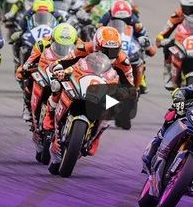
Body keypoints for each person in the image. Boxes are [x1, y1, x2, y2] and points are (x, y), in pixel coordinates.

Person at [46, 27, 134, 161]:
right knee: (57, 84)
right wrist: (58, 69)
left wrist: (125, 93)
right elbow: (63, 61)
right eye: (106, 50)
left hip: (103, 87)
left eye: (114, 50)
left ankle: (96, 137)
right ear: (97, 46)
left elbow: (129, 83)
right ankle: (49, 115)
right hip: (80, 79)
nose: (110, 54)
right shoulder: (84, 48)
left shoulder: (123, 60)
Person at [16, 23, 79, 123]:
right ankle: (27, 105)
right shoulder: (42, 43)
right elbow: (31, 59)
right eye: (59, 46)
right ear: (52, 40)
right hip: (47, 67)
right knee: (30, 77)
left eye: (66, 46)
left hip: (66, 70)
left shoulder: (80, 45)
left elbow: (86, 60)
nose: (63, 49)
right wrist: (27, 66)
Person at [99, 0, 157, 93]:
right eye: (117, 19)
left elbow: (145, 37)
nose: (123, 21)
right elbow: (98, 31)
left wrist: (146, 43)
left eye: (125, 19)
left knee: (143, 56)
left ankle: (140, 81)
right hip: (112, 40)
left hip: (130, 44)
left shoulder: (136, 22)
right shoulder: (107, 16)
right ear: (112, 15)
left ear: (130, 16)